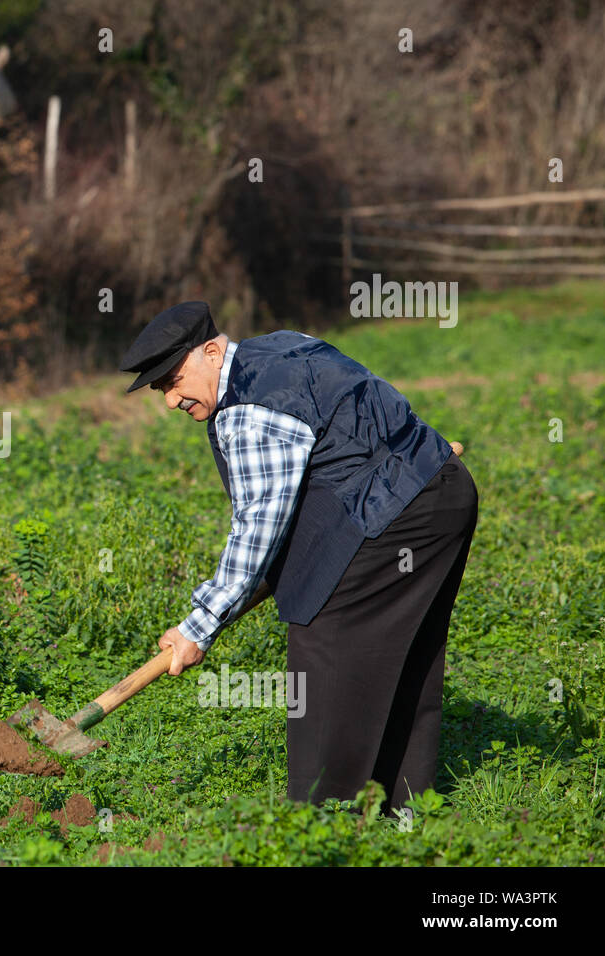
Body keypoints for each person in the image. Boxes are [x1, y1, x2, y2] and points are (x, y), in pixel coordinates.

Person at [120, 301, 479, 813]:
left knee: (324, 649)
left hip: (394, 514)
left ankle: (321, 824)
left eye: (175, 380)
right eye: (161, 389)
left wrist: (198, 627)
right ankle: (408, 814)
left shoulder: (248, 411)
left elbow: (259, 523)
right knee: (405, 658)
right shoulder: (286, 342)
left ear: (213, 351)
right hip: (440, 487)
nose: (171, 399)